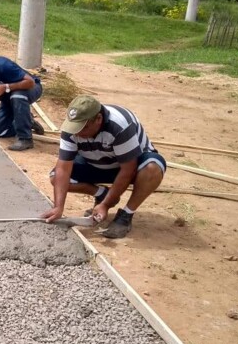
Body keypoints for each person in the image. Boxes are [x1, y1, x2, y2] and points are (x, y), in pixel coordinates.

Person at [41, 95, 165, 239]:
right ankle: (101, 194)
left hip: (131, 166)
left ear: (98, 119)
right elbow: (63, 168)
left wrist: (106, 205)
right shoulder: (72, 128)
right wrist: (58, 207)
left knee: (153, 168)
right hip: (96, 164)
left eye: (84, 128)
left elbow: (128, 170)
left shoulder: (119, 126)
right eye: (75, 128)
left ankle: (126, 214)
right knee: (55, 176)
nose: (78, 133)